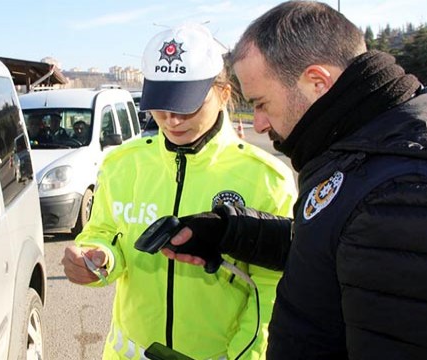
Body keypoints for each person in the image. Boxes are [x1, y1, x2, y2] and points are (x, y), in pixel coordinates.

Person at [161, 2, 427, 359]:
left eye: (261, 103)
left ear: (317, 82)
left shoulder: (407, 196)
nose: (260, 124)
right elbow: (336, 250)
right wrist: (229, 232)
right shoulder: (372, 148)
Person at [61, 23, 297, 360]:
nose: (171, 120)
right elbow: (103, 232)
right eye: (161, 105)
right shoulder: (122, 164)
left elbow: (272, 288)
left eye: (186, 106)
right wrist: (97, 259)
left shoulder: (266, 179)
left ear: (224, 94)